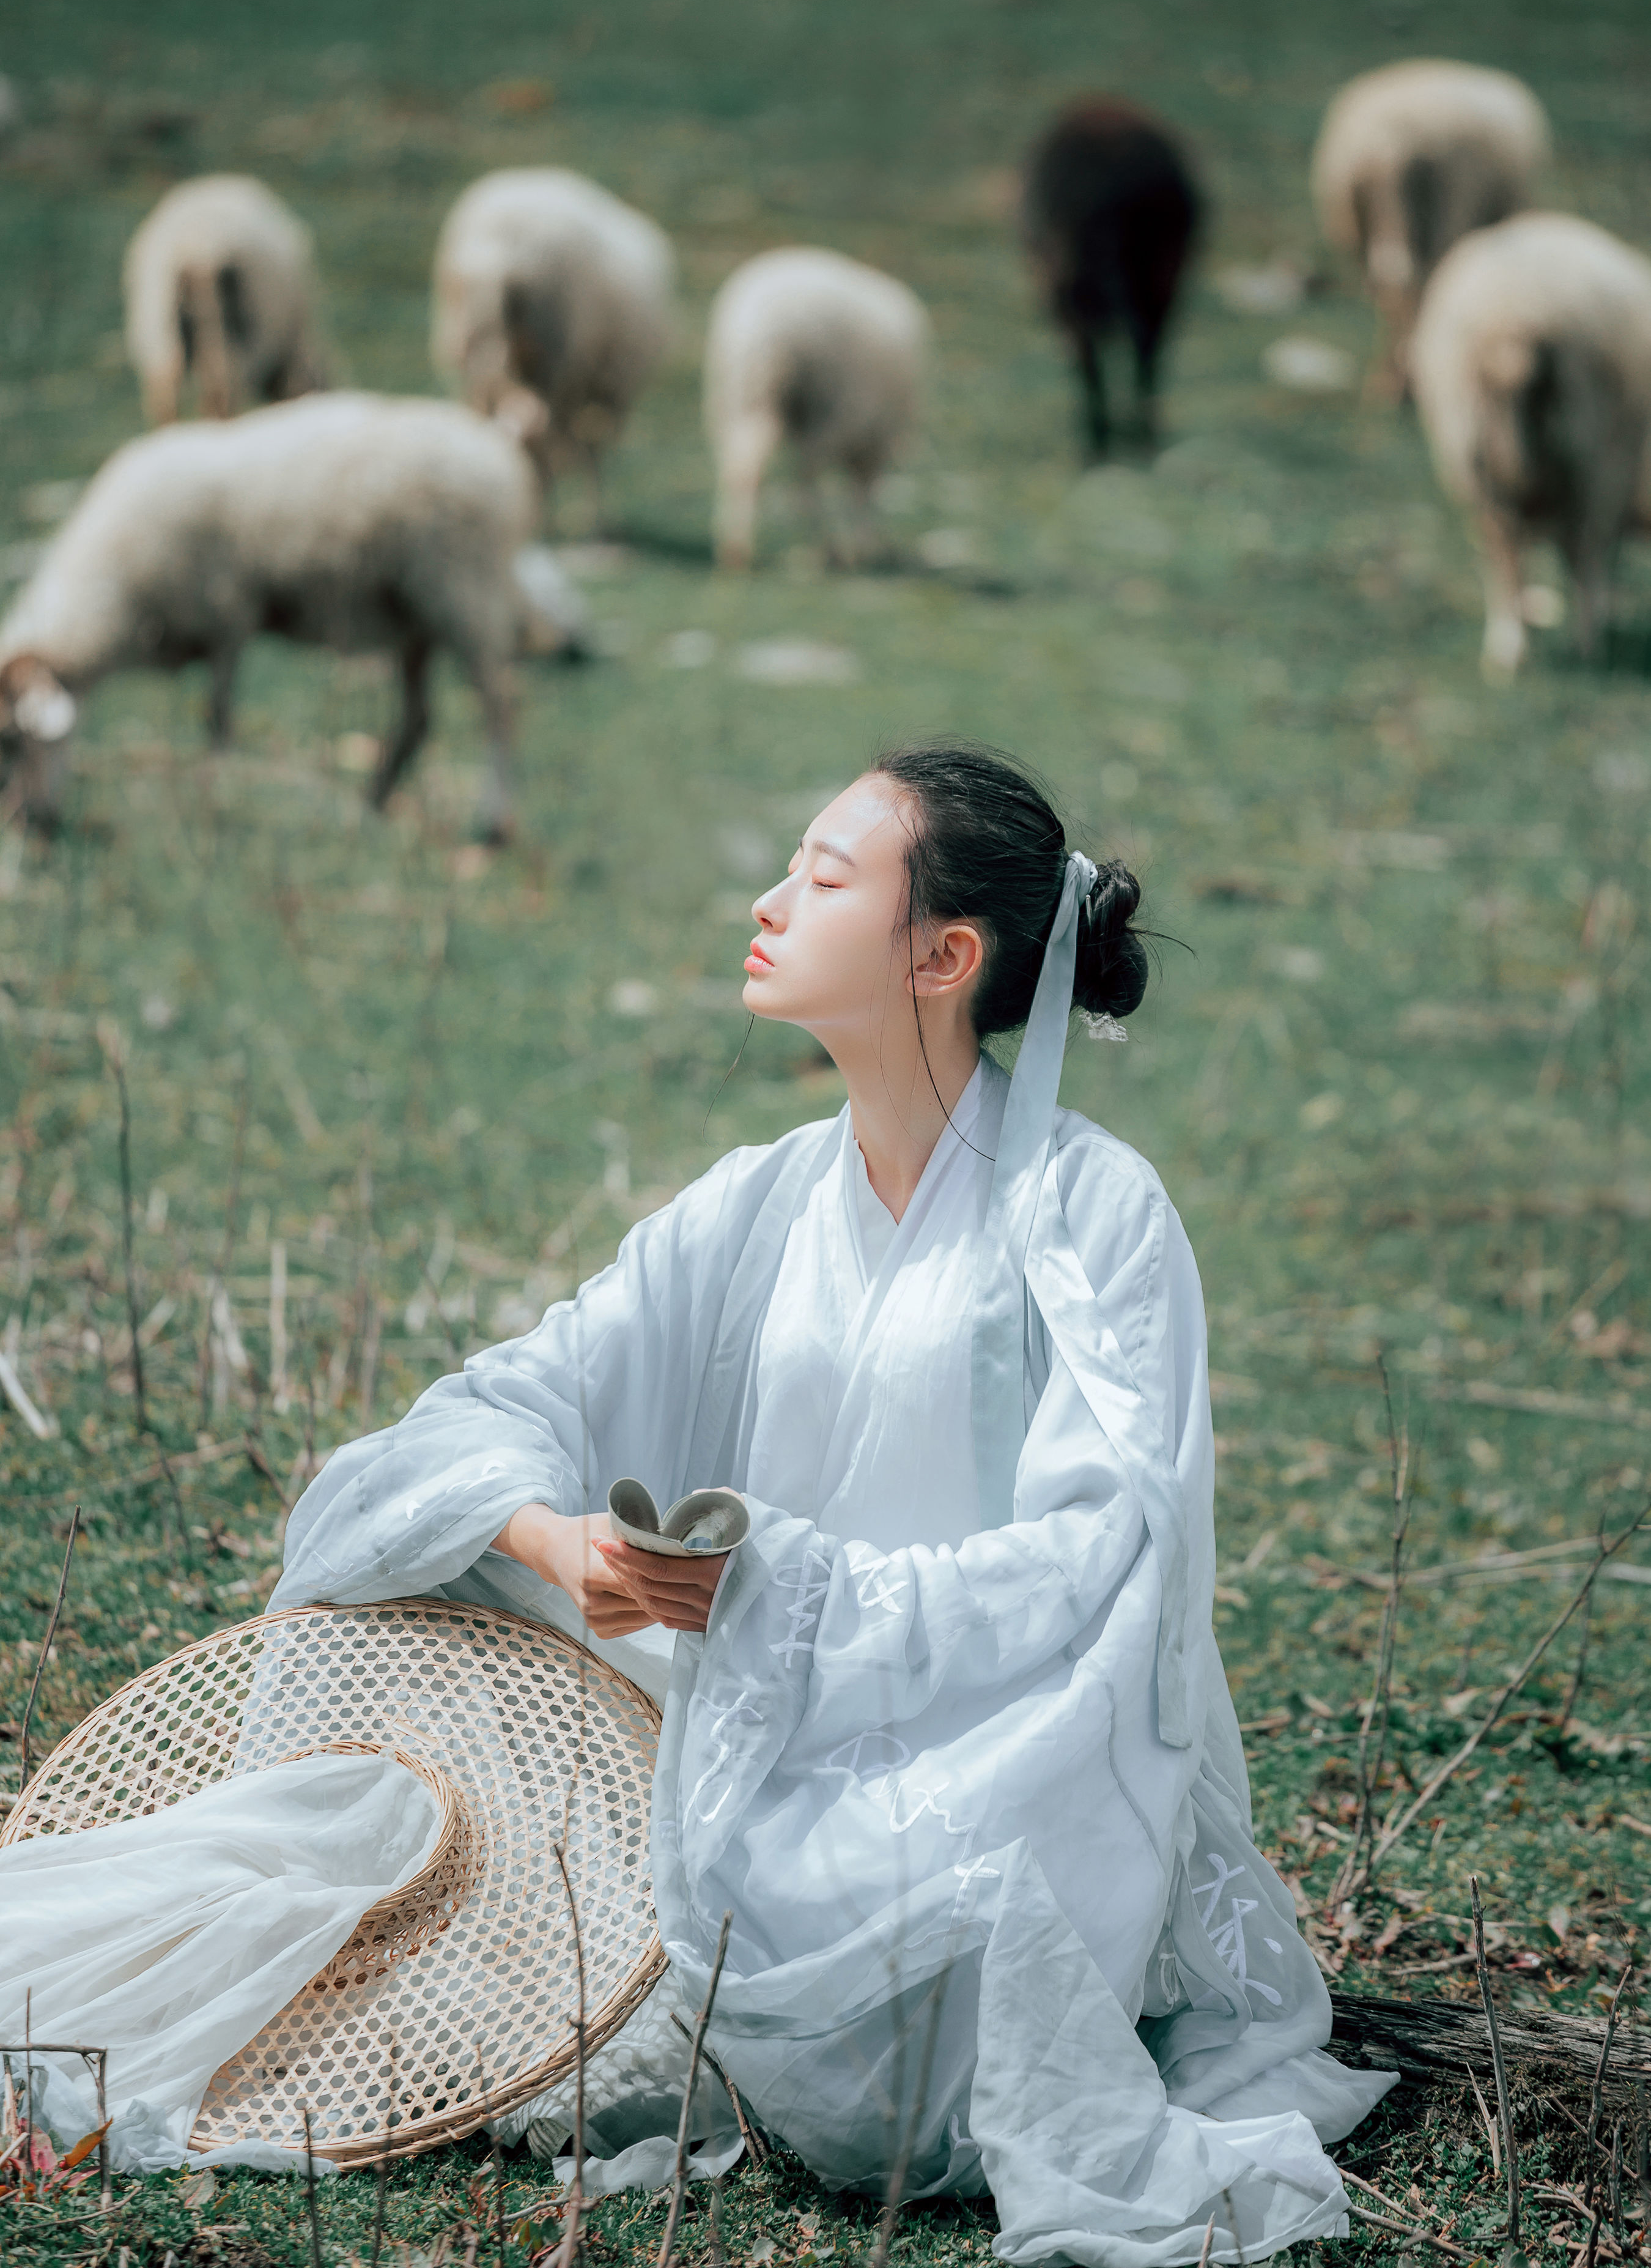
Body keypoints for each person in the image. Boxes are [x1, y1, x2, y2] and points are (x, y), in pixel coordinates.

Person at [272, 743, 1392, 2264]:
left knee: (910, 2061)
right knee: (424, 1547)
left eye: (822, 874)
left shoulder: (1094, 1213)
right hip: (747, 1720)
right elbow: (489, 1413)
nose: (767, 899)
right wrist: (565, 1543)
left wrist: (776, 1593)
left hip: (992, 1767)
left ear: (944, 956)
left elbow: (1104, 1568)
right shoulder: (759, 1198)